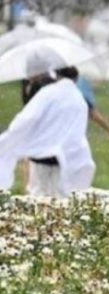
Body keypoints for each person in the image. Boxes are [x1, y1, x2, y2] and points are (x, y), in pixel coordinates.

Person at [0, 67, 95, 197]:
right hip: (67, 155)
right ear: (76, 79)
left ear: (57, 75)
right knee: (60, 196)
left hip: (42, 153)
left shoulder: (48, 93)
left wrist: (11, 137)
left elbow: (27, 118)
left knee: (38, 194)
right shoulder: (78, 98)